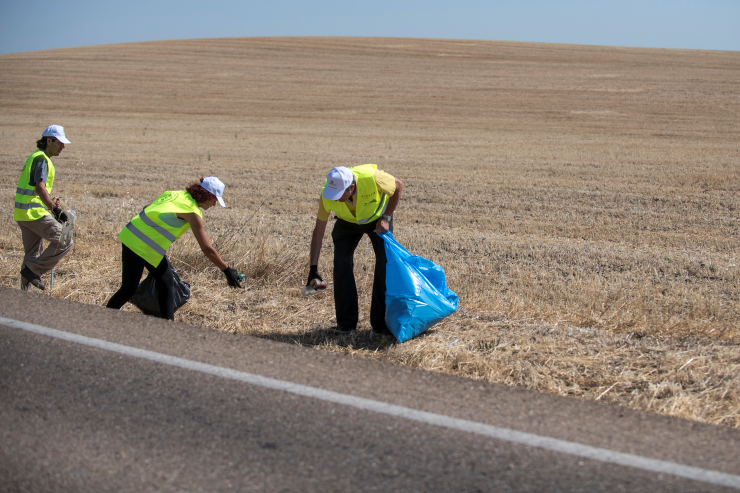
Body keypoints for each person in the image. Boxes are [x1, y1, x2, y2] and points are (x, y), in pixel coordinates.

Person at [106, 177, 243, 320]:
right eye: (214, 200)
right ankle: (103, 318)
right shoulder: (193, 213)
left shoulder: (175, 194)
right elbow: (207, 249)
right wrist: (226, 270)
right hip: (137, 243)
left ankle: (168, 325)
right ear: (207, 195)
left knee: (166, 282)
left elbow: (147, 208)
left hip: (141, 240)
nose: (214, 205)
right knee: (129, 288)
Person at [307, 164, 403, 335]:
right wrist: (313, 269)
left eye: (339, 195)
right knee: (341, 266)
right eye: (333, 195)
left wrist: (386, 217)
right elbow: (319, 231)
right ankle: (346, 324)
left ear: (351, 188)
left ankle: (381, 324)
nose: (334, 199)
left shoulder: (372, 178)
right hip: (347, 223)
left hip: (377, 220)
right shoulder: (328, 191)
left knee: (385, 267)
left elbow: (398, 186)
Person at [15, 125, 73, 291]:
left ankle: (25, 297)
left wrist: (50, 203)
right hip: (33, 214)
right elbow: (39, 187)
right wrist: (54, 210)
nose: (63, 146)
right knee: (65, 239)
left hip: (23, 214)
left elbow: (36, 188)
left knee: (31, 254)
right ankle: (33, 269)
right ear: (49, 140)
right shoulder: (42, 159)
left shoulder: (35, 156)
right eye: (60, 142)